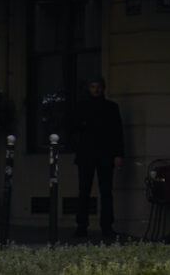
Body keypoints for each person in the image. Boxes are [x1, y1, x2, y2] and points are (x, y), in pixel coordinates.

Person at [63, 78, 122, 240]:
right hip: (88, 153)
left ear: (103, 89)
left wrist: (118, 154)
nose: (96, 90)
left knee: (105, 191)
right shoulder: (82, 107)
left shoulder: (110, 107)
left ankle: (106, 226)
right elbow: (71, 127)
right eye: (93, 87)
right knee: (85, 191)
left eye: (98, 87)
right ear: (88, 89)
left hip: (104, 154)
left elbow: (117, 131)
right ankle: (82, 226)